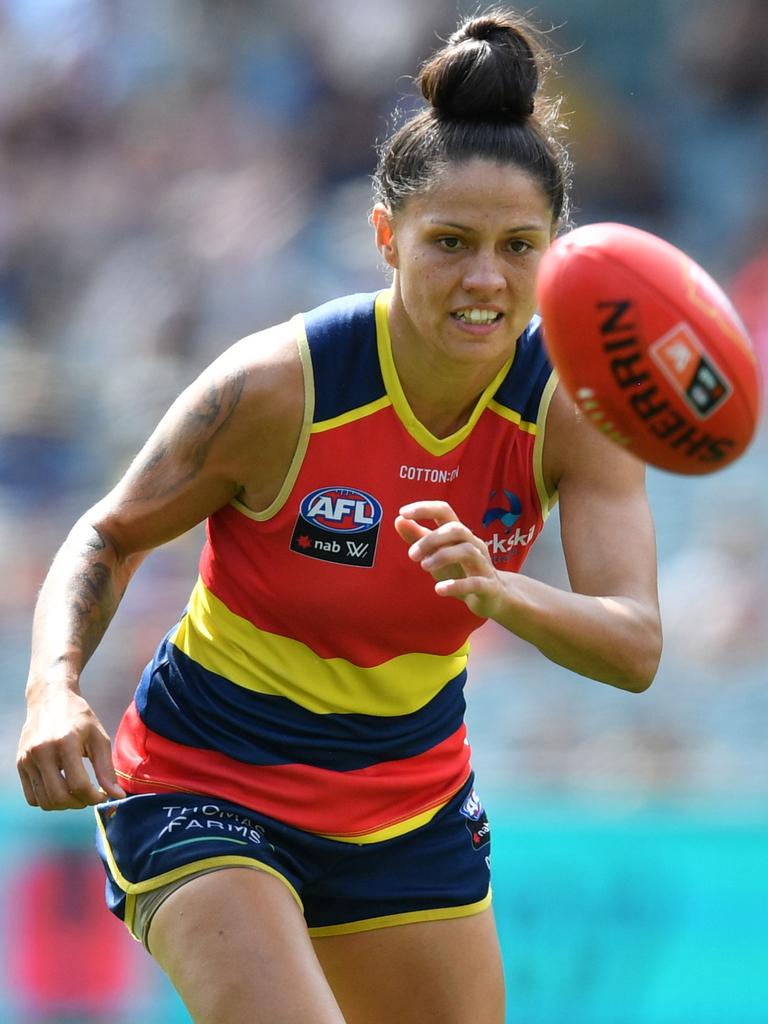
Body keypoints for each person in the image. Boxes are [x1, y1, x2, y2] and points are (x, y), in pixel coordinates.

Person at [16, 10, 662, 1024]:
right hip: (205, 780)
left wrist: (503, 594)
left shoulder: (570, 408)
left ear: (555, 254)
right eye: (450, 242)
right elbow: (108, 533)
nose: (485, 278)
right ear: (383, 237)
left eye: (517, 246)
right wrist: (51, 687)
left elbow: (635, 644)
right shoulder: (279, 386)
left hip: (408, 802)